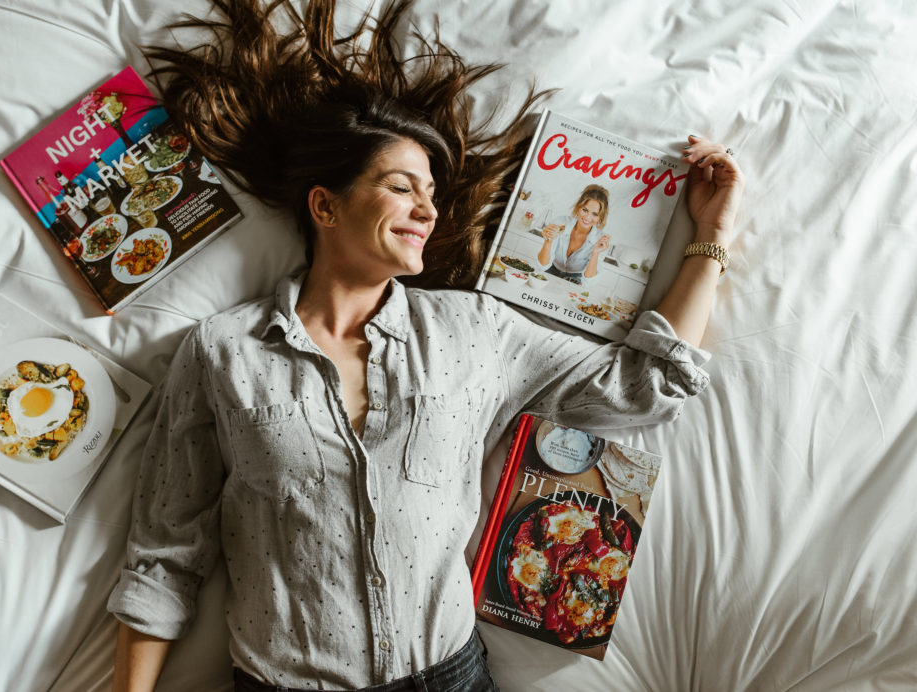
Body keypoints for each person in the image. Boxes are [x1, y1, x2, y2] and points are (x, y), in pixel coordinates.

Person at [107, 1, 743, 690]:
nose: (428, 210)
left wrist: (711, 237)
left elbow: (647, 383)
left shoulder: (474, 331)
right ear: (325, 206)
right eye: (401, 187)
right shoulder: (222, 351)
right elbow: (165, 556)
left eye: (432, 193)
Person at [535, 184, 612, 284]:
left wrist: (595, 252)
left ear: (600, 218)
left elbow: (589, 280)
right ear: (578, 207)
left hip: (576, 278)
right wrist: (548, 241)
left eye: (595, 214)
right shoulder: (560, 223)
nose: (588, 217)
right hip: (551, 268)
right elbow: (542, 266)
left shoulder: (600, 240)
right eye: (585, 210)